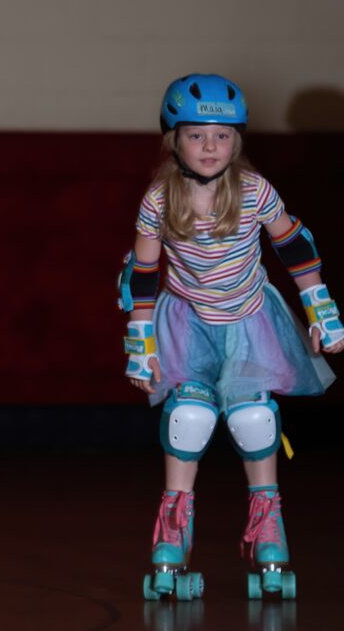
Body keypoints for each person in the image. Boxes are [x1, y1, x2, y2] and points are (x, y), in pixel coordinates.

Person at [120, 74, 342, 601]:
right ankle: (171, 538)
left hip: (250, 320)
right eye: (196, 135)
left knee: (253, 418)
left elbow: (294, 245)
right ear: (173, 140)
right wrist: (140, 342)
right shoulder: (158, 199)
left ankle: (268, 533)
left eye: (222, 136)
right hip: (186, 323)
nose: (210, 146)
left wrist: (321, 307)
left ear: (237, 141)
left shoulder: (254, 191)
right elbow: (143, 274)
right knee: (188, 419)